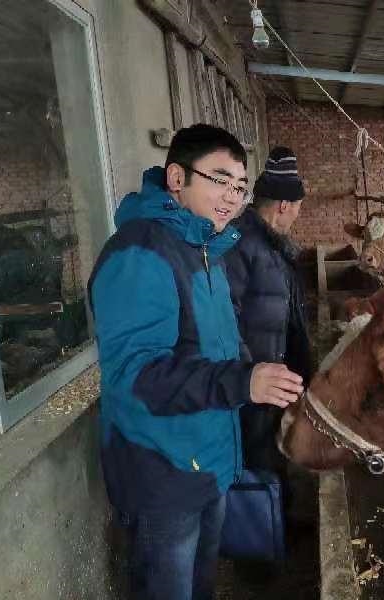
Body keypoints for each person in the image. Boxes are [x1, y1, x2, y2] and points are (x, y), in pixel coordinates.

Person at [88, 125, 304, 600]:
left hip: (208, 462)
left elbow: (223, 345)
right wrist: (243, 382)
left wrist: (265, 380)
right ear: (176, 178)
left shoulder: (206, 250)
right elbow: (138, 377)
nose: (232, 196)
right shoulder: (141, 254)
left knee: (201, 585)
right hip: (162, 475)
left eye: (240, 186)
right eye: (219, 180)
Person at [224, 146, 312, 478]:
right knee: (258, 474)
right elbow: (224, 320)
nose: (297, 215)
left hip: (274, 388)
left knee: (275, 467)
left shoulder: (274, 247)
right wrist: (251, 377)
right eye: (298, 207)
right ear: (284, 205)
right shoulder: (239, 245)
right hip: (254, 396)